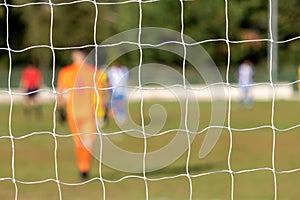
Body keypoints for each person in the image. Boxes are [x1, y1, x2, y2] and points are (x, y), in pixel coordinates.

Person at [57, 49, 107, 180]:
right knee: (85, 141)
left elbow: (61, 93)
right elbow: (101, 92)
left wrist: (60, 110)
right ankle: (84, 168)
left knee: (82, 141)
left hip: (78, 111)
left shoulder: (69, 71)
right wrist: (104, 109)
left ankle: (83, 168)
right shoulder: (90, 71)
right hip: (83, 111)